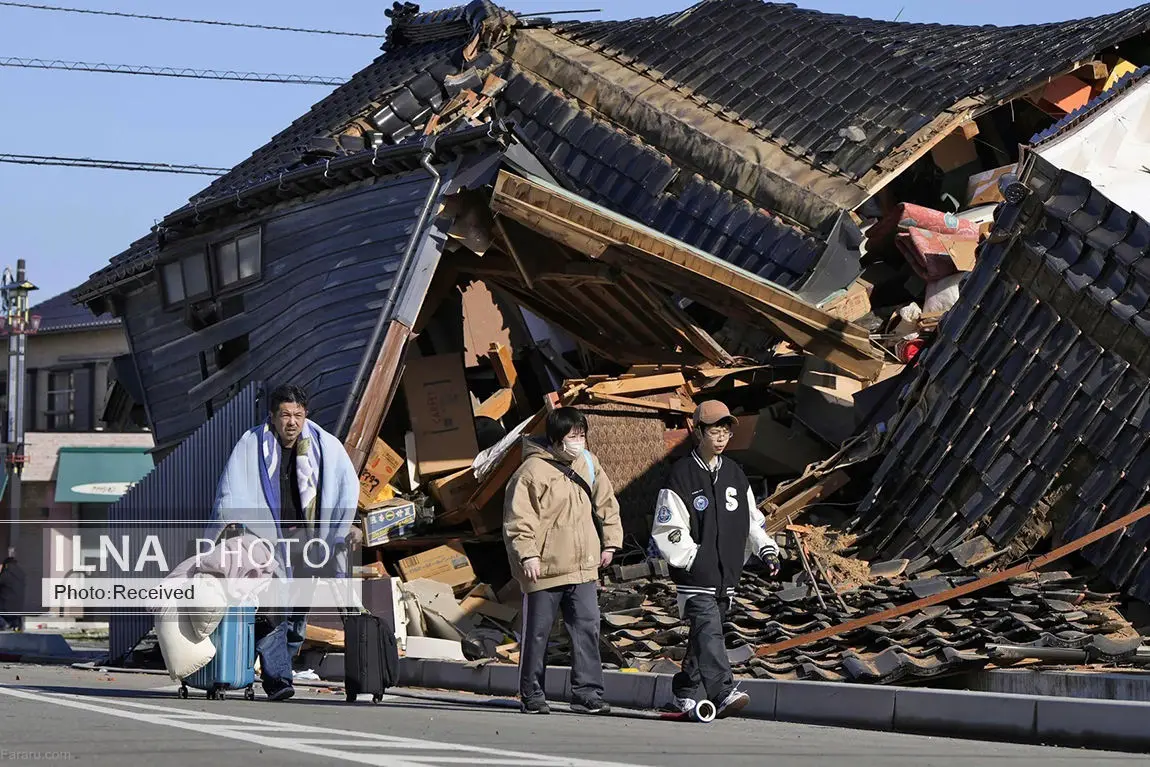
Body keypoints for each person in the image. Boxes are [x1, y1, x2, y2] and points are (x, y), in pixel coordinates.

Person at [207, 384, 358, 701]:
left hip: (307, 540)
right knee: (272, 608)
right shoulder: (251, 445)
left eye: (298, 415)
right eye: (286, 415)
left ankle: (274, 665)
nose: (292, 422)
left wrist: (339, 531)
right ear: (273, 417)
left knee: (296, 615)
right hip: (265, 541)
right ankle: (278, 679)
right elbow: (231, 491)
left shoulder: (324, 447)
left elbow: (346, 486)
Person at [651, 400, 780, 719]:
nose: (721, 437)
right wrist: (694, 559)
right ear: (698, 432)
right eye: (714, 430)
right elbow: (668, 527)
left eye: (725, 430)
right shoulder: (681, 475)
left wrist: (766, 549)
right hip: (695, 577)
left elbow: (751, 519)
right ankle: (722, 691)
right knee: (709, 631)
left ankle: (683, 693)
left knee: (703, 637)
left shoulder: (736, 475)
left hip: (727, 576)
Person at [504, 407, 623, 715]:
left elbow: (607, 503)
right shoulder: (530, 472)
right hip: (544, 568)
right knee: (538, 633)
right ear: (556, 440)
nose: (578, 442)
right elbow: (519, 520)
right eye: (573, 437)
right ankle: (532, 692)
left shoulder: (588, 463)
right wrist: (528, 554)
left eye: (582, 436)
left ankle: (588, 693)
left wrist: (611, 542)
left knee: (587, 629)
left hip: (583, 565)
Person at [0, 555, 25, 630]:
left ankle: (3, 624)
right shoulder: (22, 575)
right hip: (18, 610)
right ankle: (16, 625)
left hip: (5, 609)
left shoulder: (5, 575)